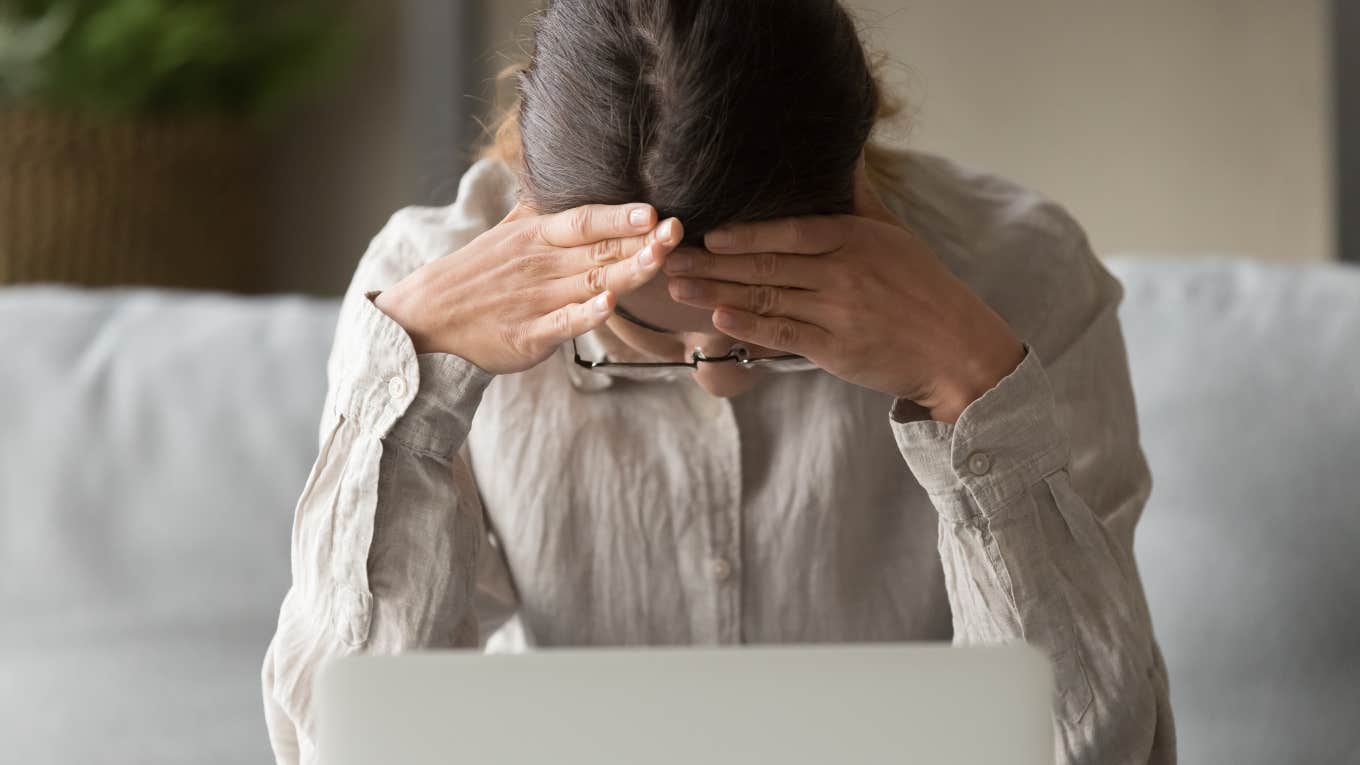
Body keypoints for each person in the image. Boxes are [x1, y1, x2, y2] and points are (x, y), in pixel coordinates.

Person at [261, 1, 1175, 762]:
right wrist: (412, 394)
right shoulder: (425, 298)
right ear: (533, 208)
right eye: (639, 336)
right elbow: (342, 748)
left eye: (777, 328)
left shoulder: (1023, 278)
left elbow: (1096, 745)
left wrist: (974, 389)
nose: (719, 385)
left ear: (855, 181)